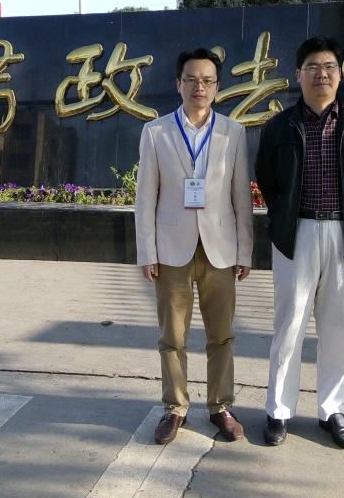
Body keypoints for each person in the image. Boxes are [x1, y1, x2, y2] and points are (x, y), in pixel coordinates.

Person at [254, 35, 344, 448]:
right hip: (297, 233)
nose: (321, 74)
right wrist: (285, 217)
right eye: (312, 67)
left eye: (329, 67)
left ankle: (332, 409)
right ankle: (279, 411)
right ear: (298, 74)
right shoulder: (280, 126)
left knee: (337, 326)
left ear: (340, 74)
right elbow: (267, 179)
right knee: (289, 325)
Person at [135, 47, 254, 444]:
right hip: (171, 248)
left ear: (217, 87)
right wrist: (147, 252)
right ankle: (175, 407)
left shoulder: (233, 133)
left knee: (221, 335)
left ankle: (221, 406)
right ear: (178, 84)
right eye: (191, 79)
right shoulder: (156, 132)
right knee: (172, 336)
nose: (198, 86)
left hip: (220, 248)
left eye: (206, 80)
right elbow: (145, 198)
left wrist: (244, 250)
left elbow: (241, 197)